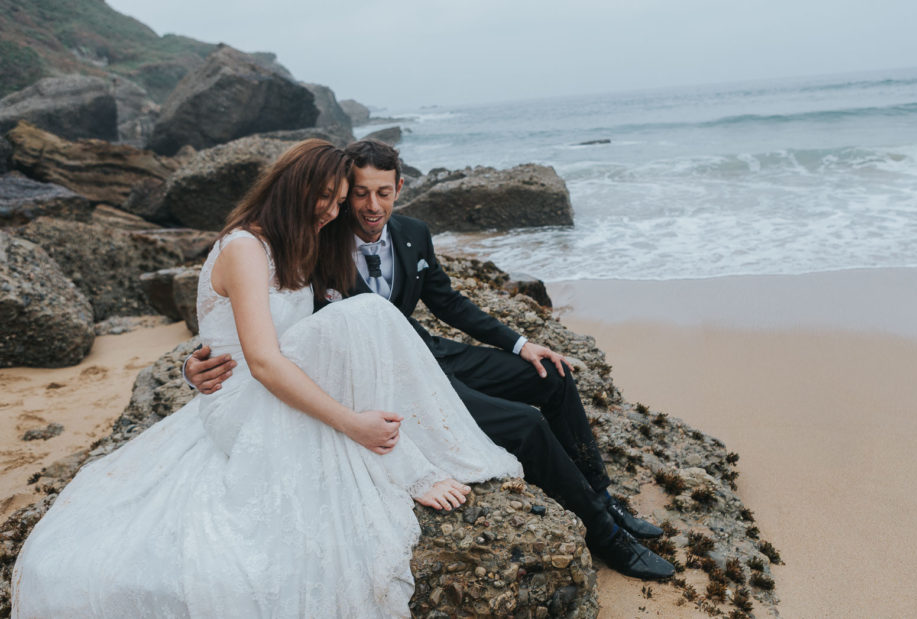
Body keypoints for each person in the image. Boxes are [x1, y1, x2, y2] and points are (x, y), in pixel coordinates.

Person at [13, 140, 522, 618]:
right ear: (289, 185)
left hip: (276, 380)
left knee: (363, 316)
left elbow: (304, 341)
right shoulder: (244, 248)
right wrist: (352, 424)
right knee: (365, 315)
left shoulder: (301, 244)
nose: (330, 210)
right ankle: (405, 457)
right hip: (243, 395)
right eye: (325, 197)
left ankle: (410, 450)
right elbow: (261, 360)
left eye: (338, 201)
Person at [186, 139, 675, 580]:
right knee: (523, 426)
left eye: (380, 193)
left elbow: (448, 301)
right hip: (371, 374)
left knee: (553, 376)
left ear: (399, 189)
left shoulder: (409, 233)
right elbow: (254, 326)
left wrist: (522, 343)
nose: (362, 207)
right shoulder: (313, 238)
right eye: (353, 195)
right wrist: (198, 366)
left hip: (425, 351)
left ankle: (605, 502)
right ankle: (606, 538)